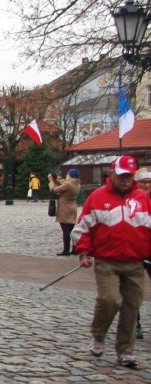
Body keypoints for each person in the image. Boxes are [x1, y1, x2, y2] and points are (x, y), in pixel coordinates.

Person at [72, 155, 151, 369]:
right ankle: (98, 335)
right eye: (121, 176)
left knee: (131, 307)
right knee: (110, 300)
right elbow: (83, 228)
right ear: (112, 174)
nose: (125, 180)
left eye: (129, 176)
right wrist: (83, 252)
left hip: (135, 262)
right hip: (107, 261)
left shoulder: (143, 199)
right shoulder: (98, 197)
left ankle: (125, 351)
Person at [49, 168, 80, 256]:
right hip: (72, 208)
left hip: (64, 208)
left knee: (65, 230)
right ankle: (74, 249)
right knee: (72, 230)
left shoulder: (68, 184)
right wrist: (56, 179)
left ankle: (66, 250)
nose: (66, 176)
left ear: (70, 176)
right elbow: (63, 185)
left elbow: (54, 191)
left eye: (67, 174)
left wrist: (51, 181)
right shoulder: (76, 183)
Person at [135, 167, 151, 339]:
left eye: (149, 182)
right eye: (143, 182)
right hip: (134, 250)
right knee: (133, 290)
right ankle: (134, 322)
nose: (147, 185)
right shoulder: (130, 200)